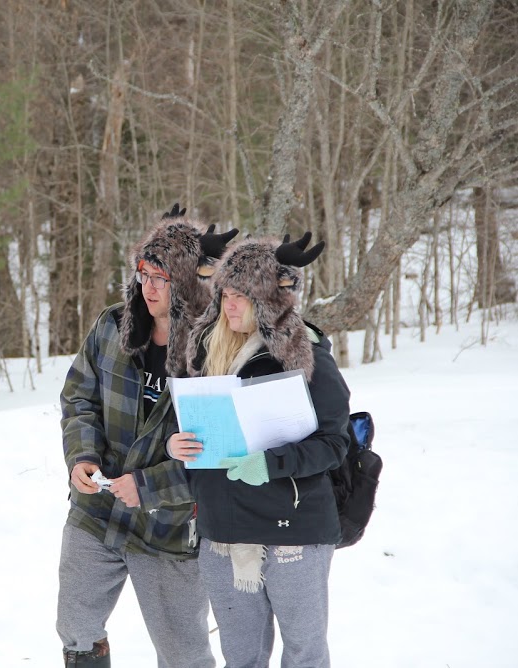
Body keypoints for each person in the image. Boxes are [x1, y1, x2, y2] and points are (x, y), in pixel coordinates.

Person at [57, 204, 237, 668]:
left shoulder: (215, 352)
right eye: (143, 274)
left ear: (189, 283)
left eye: (162, 278)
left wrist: (149, 485)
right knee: (76, 628)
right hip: (98, 510)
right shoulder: (113, 327)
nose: (149, 287)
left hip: (170, 526)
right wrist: (82, 457)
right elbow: (78, 399)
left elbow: (219, 454)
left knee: (183, 653)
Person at [166, 233, 351, 668]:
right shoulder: (207, 356)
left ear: (267, 300)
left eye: (242, 297)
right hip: (224, 530)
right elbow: (188, 428)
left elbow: (334, 443)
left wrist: (269, 463)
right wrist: (177, 443)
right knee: (241, 657)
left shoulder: (307, 358)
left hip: (295, 532)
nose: (230, 306)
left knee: (304, 654)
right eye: (226, 295)